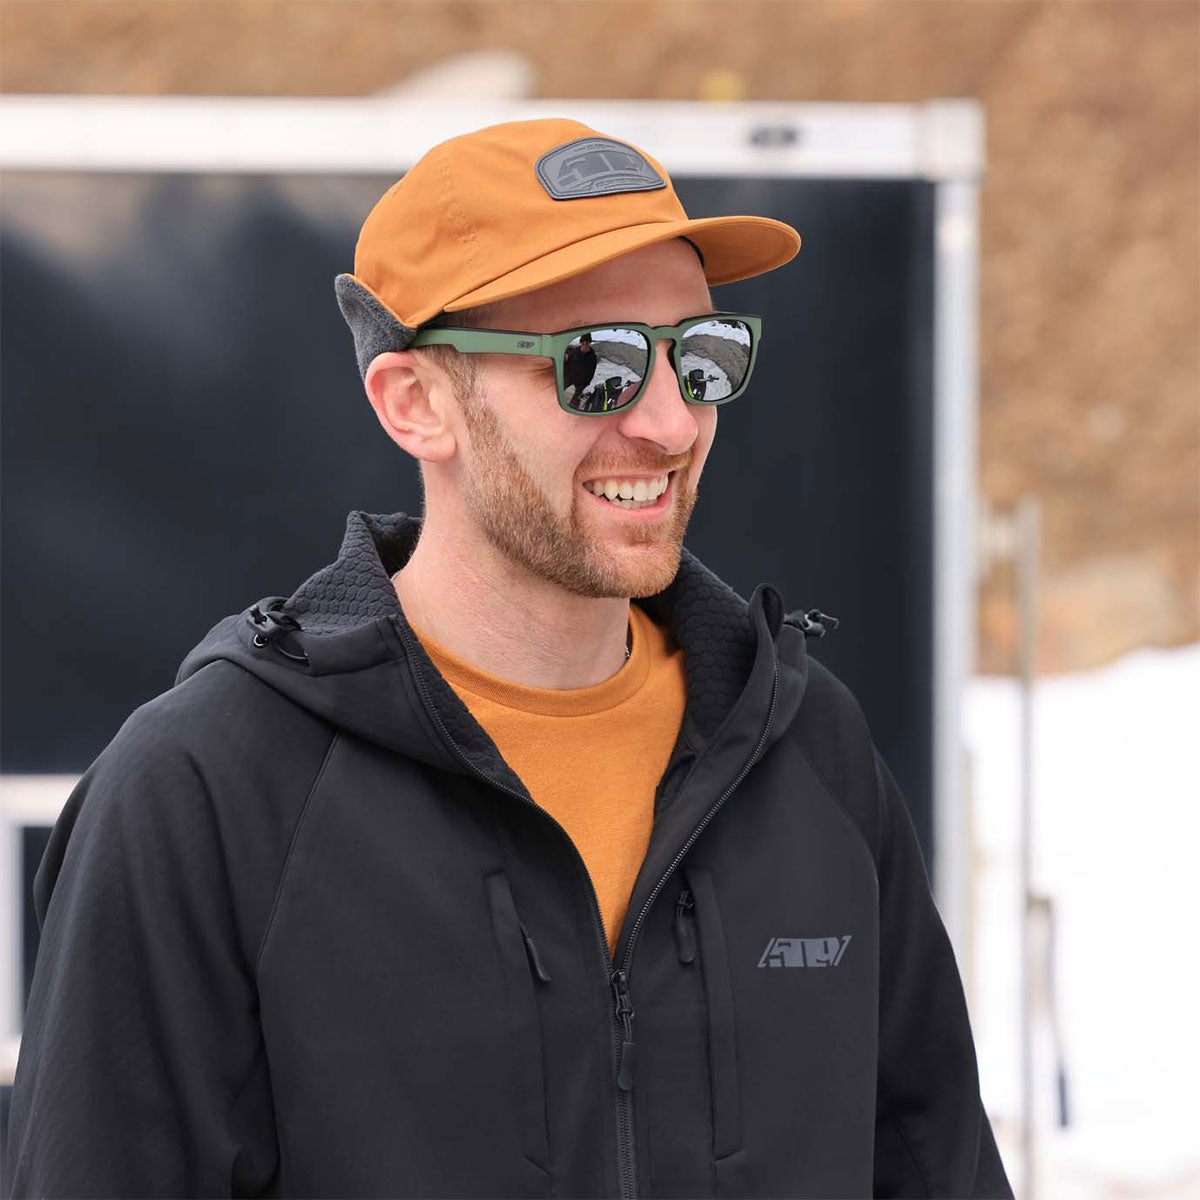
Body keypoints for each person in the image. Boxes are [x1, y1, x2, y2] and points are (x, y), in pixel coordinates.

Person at [8, 117, 1013, 1199]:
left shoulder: (807, 751)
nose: (672, 424)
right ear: (416, 404)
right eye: (599, 365)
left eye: (703, 355)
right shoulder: (203, 796)